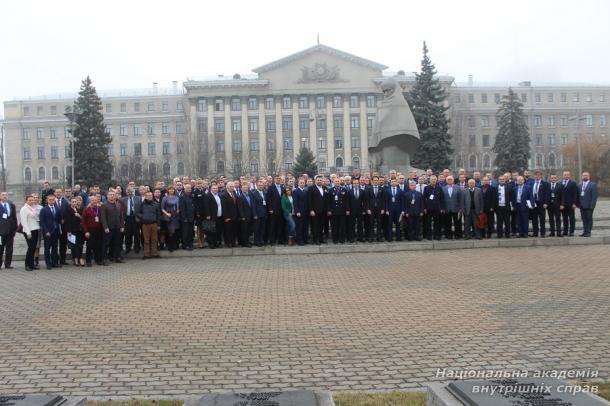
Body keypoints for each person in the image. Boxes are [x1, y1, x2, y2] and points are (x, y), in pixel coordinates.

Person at [101, 190, 125, 264]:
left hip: (117, 227)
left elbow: (121, 216)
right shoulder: (104, 205)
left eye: (113, 195)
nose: (112, 196)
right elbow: (103, 217)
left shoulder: (118, 204)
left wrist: (122, 226)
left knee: (117, 243)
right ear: (107, 196)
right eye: (110, 194)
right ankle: (104, 259)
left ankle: (116, 257)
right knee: (106, 244)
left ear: (115, 196)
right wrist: (105, 227)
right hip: (109, 228)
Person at [39, 194, 62, 269]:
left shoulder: (57, 208)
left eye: (53, 200)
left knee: (55, 248)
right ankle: (48, 263)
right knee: (47, 248)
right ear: (47, 200)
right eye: (50, 200)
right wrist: (46, 231)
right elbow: (42, 222)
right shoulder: (44, 209)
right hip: (48, 232)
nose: (52, 201)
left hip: (56, 231)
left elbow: (58, 220)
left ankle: (54, 262)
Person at [81, 194, 104, 266]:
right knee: (89, 246)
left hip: (99, 230)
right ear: (90, 201)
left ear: (97, 201)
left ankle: (98, 260)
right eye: (93, 200)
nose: (94, 201)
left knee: (98, 246)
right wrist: (86, 231)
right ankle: (88, 261)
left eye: (95, 200)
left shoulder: (100, 209)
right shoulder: (86, 210)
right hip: (90, 231)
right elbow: (83, 221)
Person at [20, 194, 40, 271]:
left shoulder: (32, 208)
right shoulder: (24, 209)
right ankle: (27, 265)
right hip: (29, 231)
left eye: (32, 200)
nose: (32, 201)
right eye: (30, 200)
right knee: (30, 248)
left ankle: (32, 264)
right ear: (26, 201)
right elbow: (23, 222)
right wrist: (28, 232)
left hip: (35, 229)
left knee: (33, 248)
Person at [139, 191, 161, 259]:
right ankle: (146, 254)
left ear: (152, 196)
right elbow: (138, 213)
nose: (149, 196)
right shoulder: (142, 204)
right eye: (148, 195)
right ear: (145, 196)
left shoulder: (156, 204)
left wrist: (158, 224)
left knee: (154, 239)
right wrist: (143, 218)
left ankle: (155, 253)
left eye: (151, 195)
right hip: (145, 224)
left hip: (154, 224)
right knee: (146, 240)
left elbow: (158, 215)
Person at [64, 197, 85, 266]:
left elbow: (83, 219)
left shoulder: (80, 209)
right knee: (74, 245)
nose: (74, 203)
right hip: (72, 230)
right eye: (72, 202)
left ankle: (80, 258)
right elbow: (67, 221)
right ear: (70, 202)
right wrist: (69, 231)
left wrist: (79, 216)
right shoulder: (68, 210)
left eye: (75, 202)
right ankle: (76, 258)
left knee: (80, 244)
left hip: (80, 230)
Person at [308, 175, 328, 245]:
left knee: (321, 225)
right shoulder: (311, 188)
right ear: (315, 181)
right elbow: (309, 200)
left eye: (320, 180)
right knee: (315, 226)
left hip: (323, 211)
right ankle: (315, 239)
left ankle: (321, 239)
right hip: (315, 211)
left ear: (322, 181)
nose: (319, 181)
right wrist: (311, 210)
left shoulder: (325, 188)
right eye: (318, 180)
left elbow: (326, 200)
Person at [423, 176, 444, 240]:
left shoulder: (439, 188)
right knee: (428, 223)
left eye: (435, 179)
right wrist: (424, 208)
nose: (434, 180)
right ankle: (429, 235)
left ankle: (436, 235)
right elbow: (424, 198)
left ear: (436, 180)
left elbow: (442, 199)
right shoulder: (426, 188)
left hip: (437, 208)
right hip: (428, 208)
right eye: (432, 179)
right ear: (430, 180)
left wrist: (442, 208)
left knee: (437, 222)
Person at [0, 192, 18, 269]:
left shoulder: (11, 205)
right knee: (0, 248)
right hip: (0, 231)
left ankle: (8, 264)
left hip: (10, 231)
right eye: (3, 195)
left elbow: (14, 218)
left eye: (6, 195)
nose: (5, 196)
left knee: (9, 248)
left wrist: (15, 229)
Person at [328, 177, 348, 244]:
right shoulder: (330, 190)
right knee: (334, 226)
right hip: (334, 211)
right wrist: (329, 210)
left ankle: (342, 239)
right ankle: (335, 239)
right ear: (333, 182)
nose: (337, 183)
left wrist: (347, 209)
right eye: (336, 181)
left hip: (342, 211)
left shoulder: (344, 190)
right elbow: (329, 201)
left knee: (342, 226)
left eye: (338, 181)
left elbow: (347, 201)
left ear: (340, 182)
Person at [122, 187, 141, 254]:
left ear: (133, 192)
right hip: (127, 218)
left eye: (131, 191)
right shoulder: (123, 199)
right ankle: (128, 248)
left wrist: (140, 217)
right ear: (126, 193)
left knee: (136, 234)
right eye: (128, 192)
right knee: (128, 234)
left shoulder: (138, 198)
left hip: (136, 218)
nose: (130, 193)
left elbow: (141, 209)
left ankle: (137, 248)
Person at [347, 178, 367, 243]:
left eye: (357, 183)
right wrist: (348, 210)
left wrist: (364, 210)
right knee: (351, 225)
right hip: (352, 210)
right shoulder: (349, 191)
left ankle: (360, 237)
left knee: (360, 225)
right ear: (352, 184)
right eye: (354, 183)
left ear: (358, 184)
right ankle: (351, 238)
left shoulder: (362, 191)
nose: (355, 184)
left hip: (360, 210)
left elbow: (364, 201)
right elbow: (348, 202)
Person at [578, 171, 597, 237]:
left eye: (586, 175)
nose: (585, 176)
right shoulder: (580, 185)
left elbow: (594, 196)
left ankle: (588, 232)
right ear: (582, 176)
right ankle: (585, 231)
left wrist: (592, 205)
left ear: (589, 176)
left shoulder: (593, 185)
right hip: (582, 206)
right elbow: (578, 196)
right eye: (583, 175)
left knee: (589, 219)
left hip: (589, 206)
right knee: (584, 219)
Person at [531, 170, 550, 237]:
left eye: (538, 175)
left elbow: (547, 194)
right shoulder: (532, 183)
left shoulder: (545, 184)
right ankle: (535, 233)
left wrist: (546, 203)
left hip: (542, 204)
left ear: (541, 176)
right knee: (534, 219)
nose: (537, 176)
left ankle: (542, 233)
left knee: (542, 219)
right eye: (536, 175)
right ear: (534, 176)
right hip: (534, 204)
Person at [161, 186, 180, 252]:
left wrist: (178, 210)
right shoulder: (165, 198)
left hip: (175, 216)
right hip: (169, 215)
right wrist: (167, 213)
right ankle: (170, 246)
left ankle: (175, 245)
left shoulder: (177, 197)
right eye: (170, 190)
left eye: (172, 190)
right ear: (168, 190)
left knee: (175, 231)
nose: (171, 191)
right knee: (171, 231)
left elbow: (178, 205)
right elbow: (162, 208)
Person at [203, 184, 223, 249]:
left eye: (216, 188)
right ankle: (211, 244)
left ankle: (215, 243)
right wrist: (208, 215)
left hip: (219, 216)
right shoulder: (208, 195)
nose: (215, 189)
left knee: (217, 231)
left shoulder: (218, 195)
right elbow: (206, 206)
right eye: (214, 188)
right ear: (211, 189)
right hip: (211, 216)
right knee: (211, 231)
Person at [220, 182, 239, 247]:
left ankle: (233, 242)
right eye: (231, 186)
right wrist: (226, 217)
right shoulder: (223, 195)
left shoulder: (234, 193)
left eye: (233, 187)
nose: (232, 188)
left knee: (234, 230)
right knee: (228, 231)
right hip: (228, 217)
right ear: (227, 187)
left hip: (234, 216)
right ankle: (228, 243)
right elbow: (223, 207)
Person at [55, 188, 70, 265]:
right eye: (57, 192)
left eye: (60, 192)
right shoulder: (51, 202)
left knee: (63, 244)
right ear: (55, 193)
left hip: (64, 227)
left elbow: (68, 213)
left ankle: (62, 260)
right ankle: (55, 260)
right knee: (54, 244)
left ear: (62, 193)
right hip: (55, 227)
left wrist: (65, 220)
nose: (58, 193)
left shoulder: (65, 202)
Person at [561, 171, 578, 237]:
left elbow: (575, 194)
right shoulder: (560, 183)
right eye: (565, 175)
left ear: (569, 176)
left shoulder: (573, 183)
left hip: (571, 204)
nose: (566, 176)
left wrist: (574, 203)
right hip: (563, 205)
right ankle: (565, 231)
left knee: (571, 218)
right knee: (564, 219)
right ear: (563, 175)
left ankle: (571, 232)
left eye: (567, 175)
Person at [292, 177, 309, 246]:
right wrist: (297, 211)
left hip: (305, 212)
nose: (302, 184)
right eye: (301, 183)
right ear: (298, 183)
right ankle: (300, 240)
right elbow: (295, 202)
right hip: (299, 212)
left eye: (303, 183)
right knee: (299, 227)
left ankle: (305, 239)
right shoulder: (295, 191)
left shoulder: (305, 191)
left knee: (305, 226)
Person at [236, 182, 254, 247]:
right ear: (241, 189)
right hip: (244, 217)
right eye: (244, 188)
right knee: (244, 231)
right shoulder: (240, 197)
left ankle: (247, 241)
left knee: (248, 230)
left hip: (250, 216)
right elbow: (240, 208)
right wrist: (242, 216)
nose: (245, 189)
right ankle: (245, 243)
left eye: (246, 188)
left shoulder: (249, 195)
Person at [179, 184, 195, 250]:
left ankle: (190, 244)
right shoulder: (182, 197)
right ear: (184, 189)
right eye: (187, 188)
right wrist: (184, 218)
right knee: (185, 232)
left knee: (190, 232)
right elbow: (182, 208)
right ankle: (185, 245)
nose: (189, 189)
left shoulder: (191, 196)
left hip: (191, 217)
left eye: (190, 188)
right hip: (185, 218)